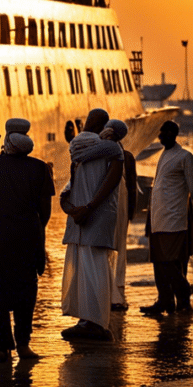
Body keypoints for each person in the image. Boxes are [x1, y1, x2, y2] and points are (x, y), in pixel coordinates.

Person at [0, 120, 54, 361]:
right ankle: (24, 344)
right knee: (26, 293)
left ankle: (2, 347)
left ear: (7, 142)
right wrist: (34, 229)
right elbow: (45, 211)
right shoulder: (40, 168)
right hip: (29, 239)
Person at [59, 109, 123, 341]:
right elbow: (100, 183)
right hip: (87, 215)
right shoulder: (94, 150)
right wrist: (78, 208)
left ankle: (94, 321)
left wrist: (83, 208)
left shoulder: (83, 147)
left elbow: (107, 182)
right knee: (90, 268)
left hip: (90, 216)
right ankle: (89, 319)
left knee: (90, 267)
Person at [141, 120, 193, 316]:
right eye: (160, 133)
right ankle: (166, 301)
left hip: (174, 218)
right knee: (158, 261)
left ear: (173, 133)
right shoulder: (164, 155)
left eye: (164, 133)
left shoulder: (185, 157)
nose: (160, 136)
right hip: (157, 217)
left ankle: (183, 293)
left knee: (168, 261)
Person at [100, 120, 137, 311]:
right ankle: (115, 292)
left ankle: (110, 293)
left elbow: (131, 185)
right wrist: (130, 213)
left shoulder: (111, 154)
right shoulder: (127, 156)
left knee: (108, 247)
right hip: (120, 205)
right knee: (117, 247)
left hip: (113, 203)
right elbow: (132, 187)